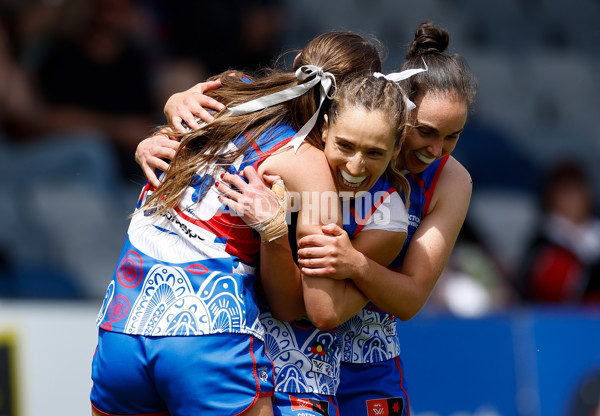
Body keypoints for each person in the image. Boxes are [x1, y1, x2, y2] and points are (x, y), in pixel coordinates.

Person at [139, 22, 476, 416]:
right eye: (425, 132)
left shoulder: (444, 184)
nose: (436, 150)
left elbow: (411, 297)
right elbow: (226, 110)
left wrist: (357, 264)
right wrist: (165, 124)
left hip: (366, 361)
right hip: (279, 353)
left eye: (453, 137)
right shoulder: (313, 141)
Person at [90, 31, 384, 416]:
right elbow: (311, 307)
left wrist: (155, 129)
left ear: (297, 63)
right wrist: (284, 239)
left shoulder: (228, 89)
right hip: (209, 334)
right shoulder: (308, 164)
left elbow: (173, 110)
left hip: (122, 326)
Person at [516, 159, 600, 303]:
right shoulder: (543, 244)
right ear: (550, 197)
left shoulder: (595, 232)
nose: (572, 200)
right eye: (564, 192)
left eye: (576, 190)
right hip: (561, 320)